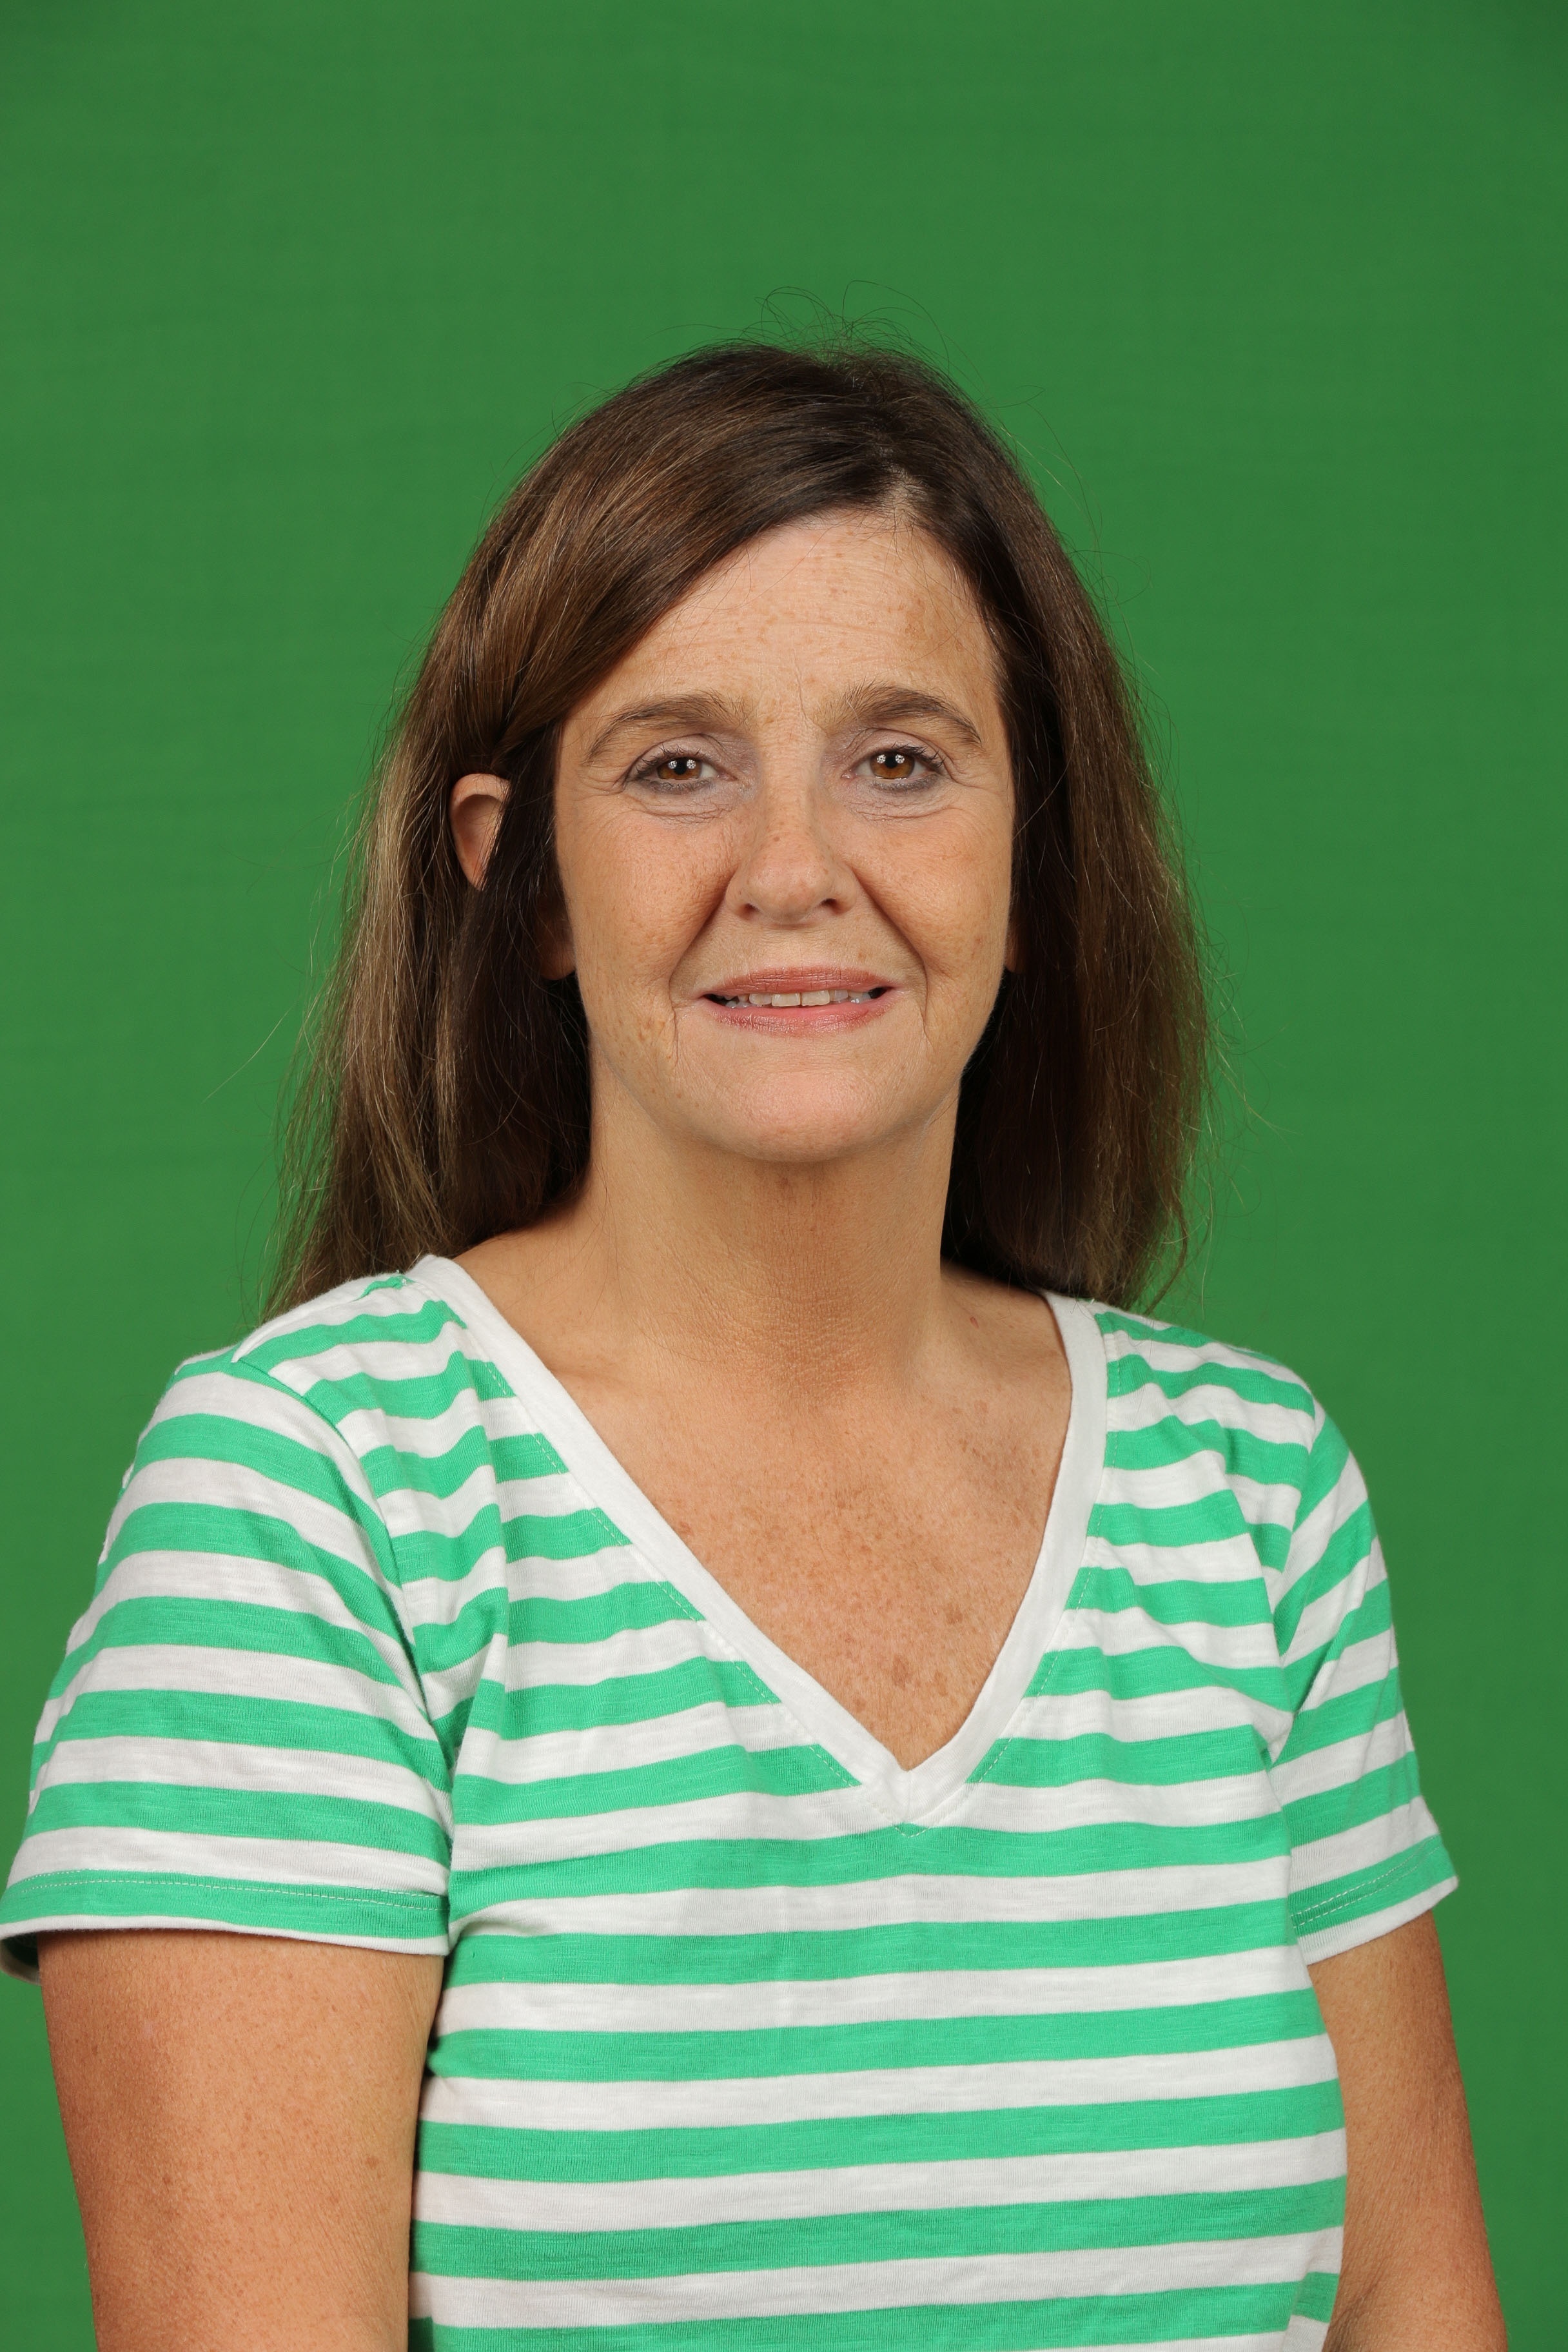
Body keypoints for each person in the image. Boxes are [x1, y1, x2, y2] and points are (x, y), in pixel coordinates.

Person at [2, 342, 1504, 2351]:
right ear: (523, 876)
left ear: (1032, 851)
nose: (796, 871)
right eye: (678, 766)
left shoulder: (1251, 1491)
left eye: (901, 761)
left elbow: (1413, 2302)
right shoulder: (315, 1500)